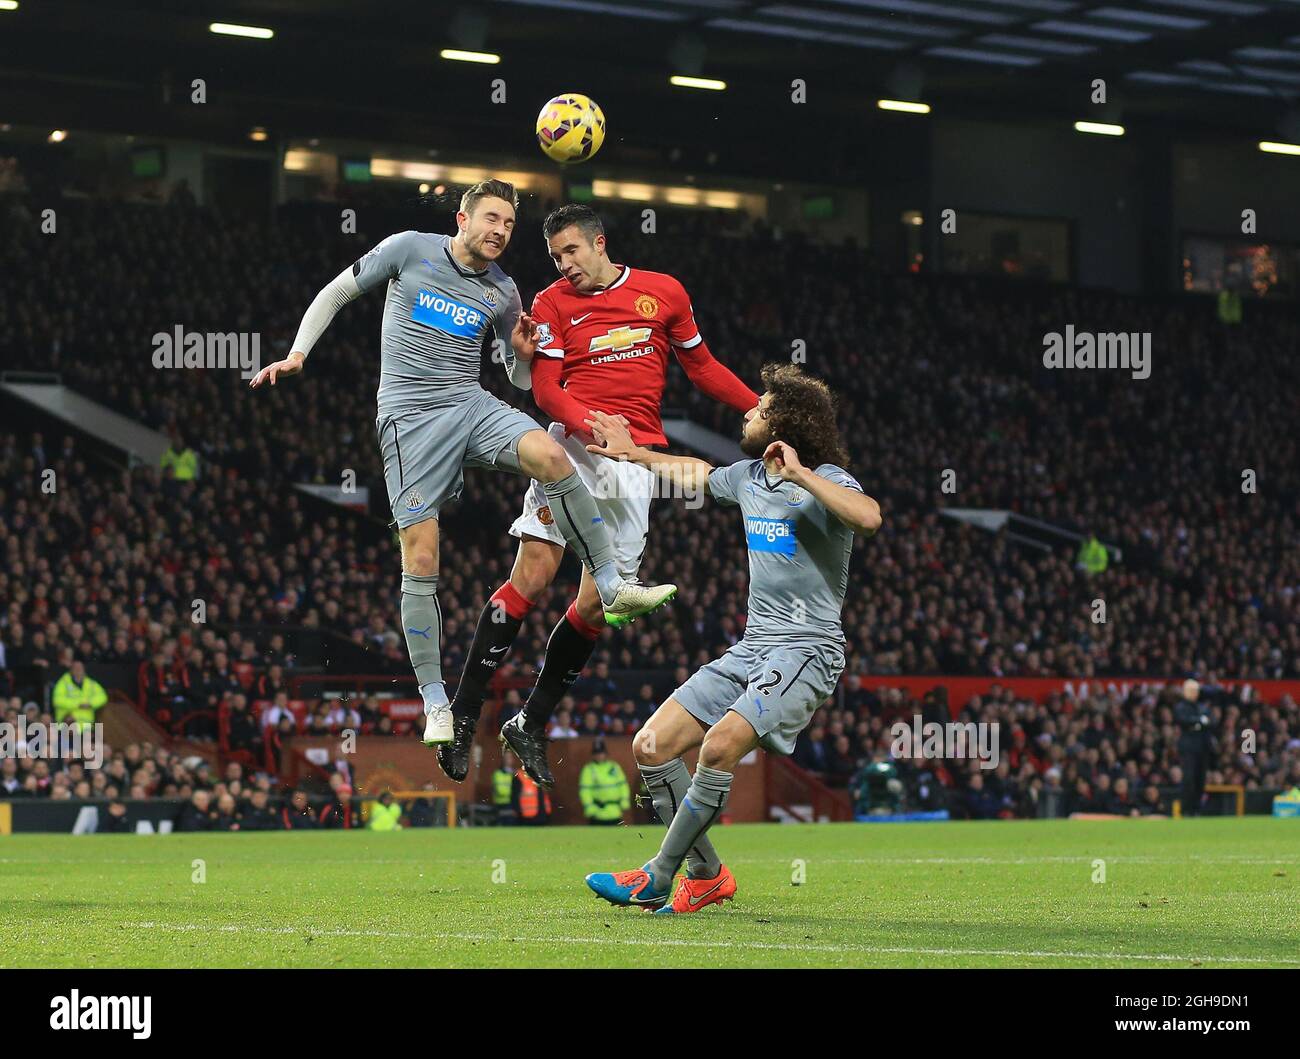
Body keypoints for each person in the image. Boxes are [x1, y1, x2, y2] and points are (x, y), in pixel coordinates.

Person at [250, 181, 676, 752]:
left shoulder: (504, 292)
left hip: (470, 403)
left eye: (508, 225)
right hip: (410, 420)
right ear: (463, 218)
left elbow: (517, 379)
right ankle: (436, 703)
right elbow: (335, 293)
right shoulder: (409, 249)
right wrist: (299, 353)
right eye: (492, 219)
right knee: (422, 555)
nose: (501, 232)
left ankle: (611, 582)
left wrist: (522, 355)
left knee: (552, 454)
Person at [445, 203, 758, 789]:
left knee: (598, 606)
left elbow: (703, 367)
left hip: (633, 462)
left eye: (571, 252)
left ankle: (530, 722)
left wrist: (756, 406)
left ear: (600, 243)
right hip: (575, 452)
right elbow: (544, 389)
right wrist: (594, 429)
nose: (565, 266)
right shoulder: (551, 304)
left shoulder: (663, 294)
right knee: (533, 574)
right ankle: (462, 714)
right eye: (555, 257)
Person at [582, 364, 881, 913]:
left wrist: (801, 476)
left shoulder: (831, 481)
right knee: (651, 747)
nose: (748, 410)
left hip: (807, 649)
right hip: (754, 647)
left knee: (718, 747)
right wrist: (636, 455)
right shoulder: (747, 477)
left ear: (786, 424)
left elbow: (868, 518)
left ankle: (656, 875)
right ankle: (708, 875)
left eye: (761, 407)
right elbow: (698, 474)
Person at [1175, 678, 1214, 817]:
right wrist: (1200, 721)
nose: (1194, 693)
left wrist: (1197, 723)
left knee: (1200, 779)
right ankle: (1186, 810)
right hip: (1188, 748)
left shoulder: (1202, 706)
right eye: (1191, 690)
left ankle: (1196, 809)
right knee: (1189, 779)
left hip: (1202, 747)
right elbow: (1183, 720)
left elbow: (1212, 721)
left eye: (1196, 690)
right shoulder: (1181, 707)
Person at [578, 737, 630, 825]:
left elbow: (623, 785)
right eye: (597, 753)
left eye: (601, 753)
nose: (599, 755)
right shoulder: (589, 769)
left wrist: (624, 801)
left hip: (615, 811)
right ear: (593, 755)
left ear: (605, 753)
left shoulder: (614, 767)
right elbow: (585, 791)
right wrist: (589, 807)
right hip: (598, 812)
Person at [50, 660, 107, 734]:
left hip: (87, 727)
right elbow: (57, 700)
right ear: (71, 670)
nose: (78, 669)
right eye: (75, 667)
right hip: (67, 726)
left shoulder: (91, 683)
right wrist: (78, 704)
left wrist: (90, 704)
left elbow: (102, 697)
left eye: (80, 667)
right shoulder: (63, 683)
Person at [492, 750, 518, 825]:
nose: (508, 760)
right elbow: (500, 791)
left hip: (513, 804)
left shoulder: (515, 774)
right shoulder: (498, 773)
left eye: (510, 757)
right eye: (506, 757)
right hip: (502, 804)